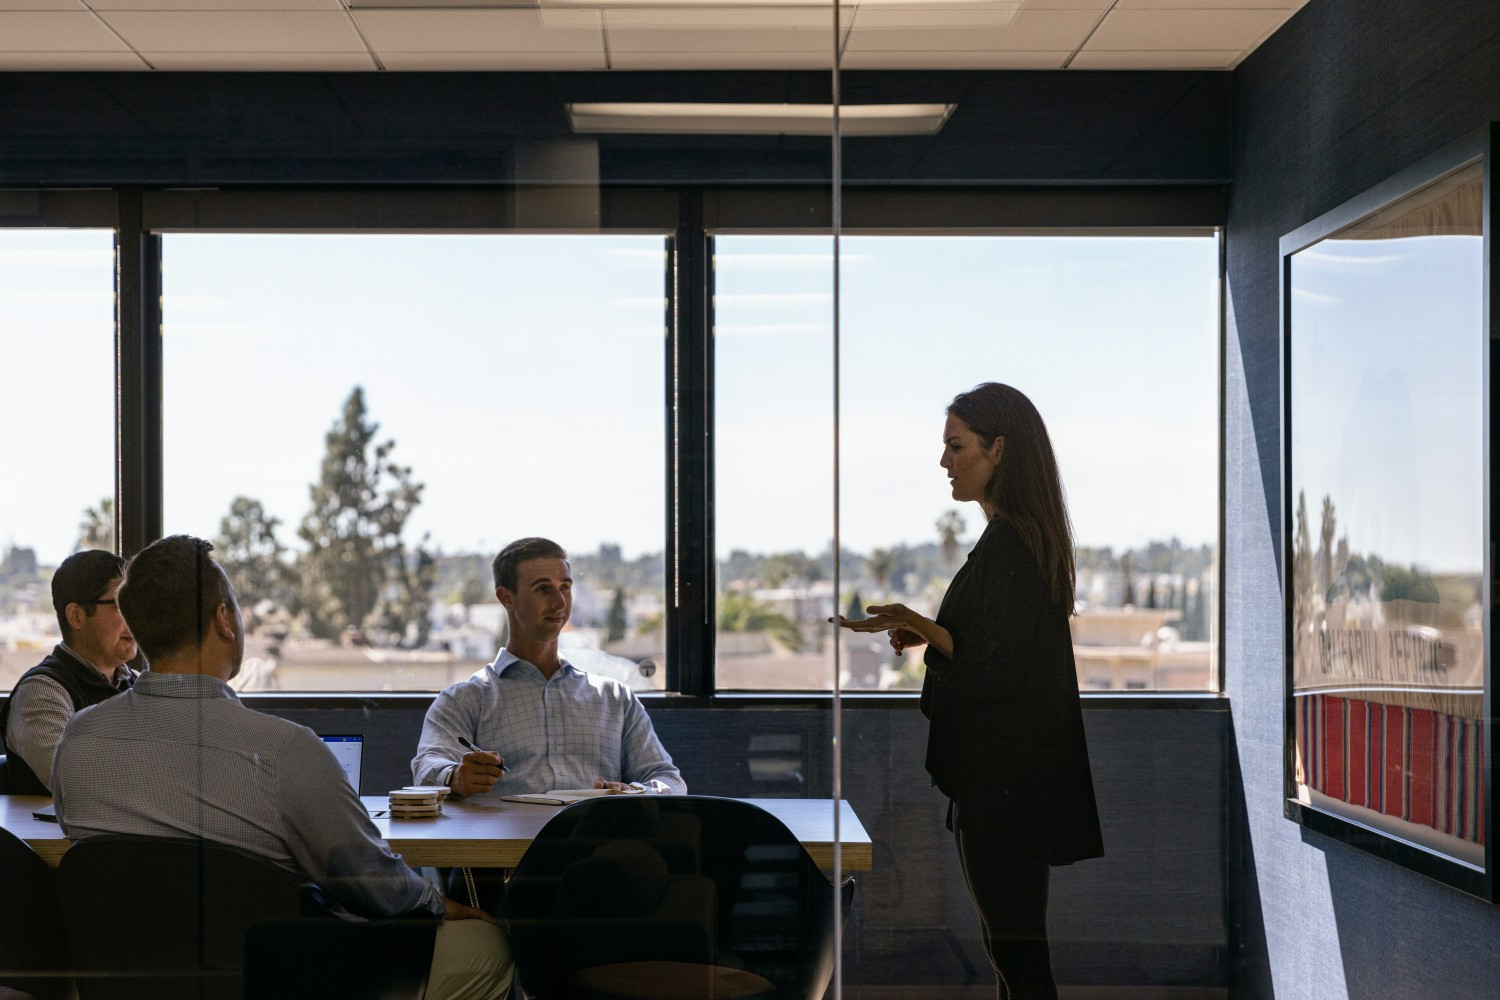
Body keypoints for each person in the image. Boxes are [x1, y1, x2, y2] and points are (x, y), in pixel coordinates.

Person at [52, 536, 512, 1000]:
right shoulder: (285, 752)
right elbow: (371, 884)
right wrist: (439, 902)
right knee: (488, 948)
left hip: (132, 981)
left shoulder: (76, 742)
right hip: (285, 979)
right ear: (224, 620)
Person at [837, 383, 1103, 1000]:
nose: (944, 462)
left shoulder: (1011, 544)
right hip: (1010, 779)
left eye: (956, 446)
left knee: (1017, 957)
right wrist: (928, 631)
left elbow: (996, 666)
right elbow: (996, 651)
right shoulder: (1017, 540)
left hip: (1004, 784)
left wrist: (923, 623)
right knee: (1013, 951)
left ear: (998, 449)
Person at [412, 536, 684, 798]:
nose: (560, 602)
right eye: (543, 588)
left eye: (565, 586)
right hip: (505, 844)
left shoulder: (615, 699)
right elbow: (427, 766)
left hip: (595, 842)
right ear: (507, 598)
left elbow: (666, 777)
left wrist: (637, 792)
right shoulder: (465, 700)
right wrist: (456, 777)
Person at [0, 549, 137, 794]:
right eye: (120, 604)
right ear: (76, 616)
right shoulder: (41, 692)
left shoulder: (136, 684)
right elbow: (76, 784)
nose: (137, 617)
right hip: (51, 833)